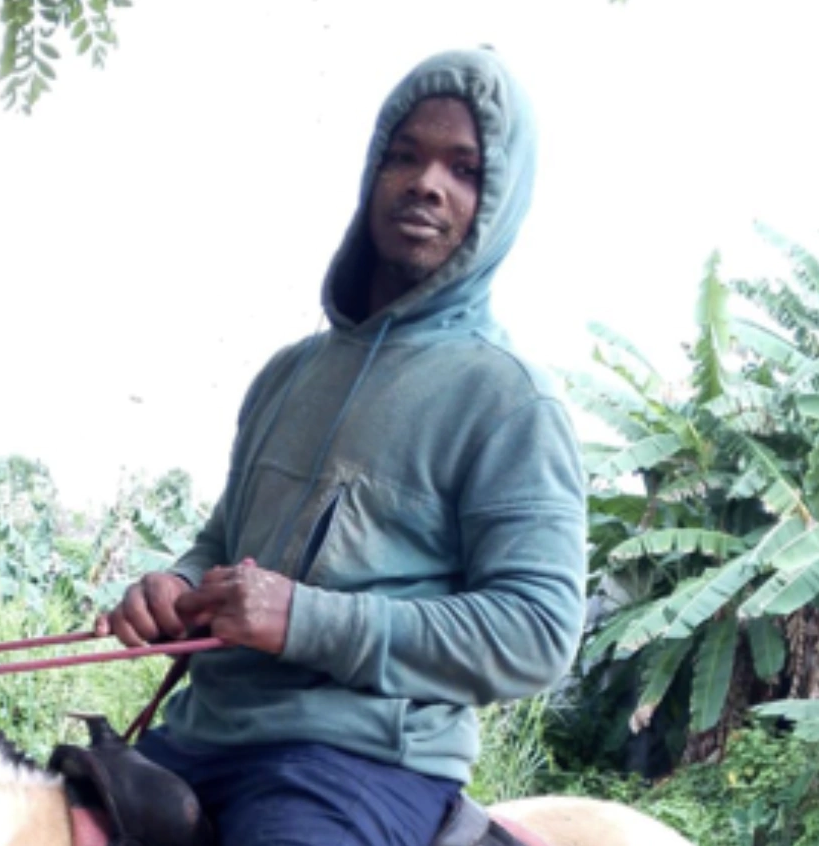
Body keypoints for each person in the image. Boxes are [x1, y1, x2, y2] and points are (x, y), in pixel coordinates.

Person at [95, 46, 588, 846]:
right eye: (405, 156)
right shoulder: (288, 374)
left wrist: (305, 620)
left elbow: (536, 631)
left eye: (464, 169)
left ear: (499, 203)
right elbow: (226, 541)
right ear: (374, 172)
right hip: (199, 734)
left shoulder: (509, 399)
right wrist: (175, 586)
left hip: (358, 765)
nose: (426, 183)